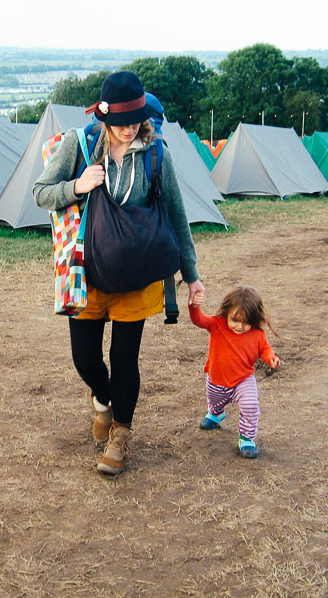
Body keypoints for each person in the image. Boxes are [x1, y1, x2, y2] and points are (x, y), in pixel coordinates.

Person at [33, 70, 204, 475]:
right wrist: (76, 185)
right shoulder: (79, 144)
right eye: (121, 123)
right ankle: (103, 400)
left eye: (136, 121)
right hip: (87, 272)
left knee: (125, 359)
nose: (129, 130)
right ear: (103, 116)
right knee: (86, 359)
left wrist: (191, 273)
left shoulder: (157, 152)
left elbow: (177, 215)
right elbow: (42, 192)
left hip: (137, 275)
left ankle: (121, 436)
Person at [189, 285, 280, 459]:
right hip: (217, 379)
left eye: (246, 322)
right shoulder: (217, 324)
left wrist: (271, 359)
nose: (239, 326)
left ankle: (246, 439)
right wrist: (194, 306)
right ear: (226, 313)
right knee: (215, 402)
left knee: (250, 405)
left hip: (244, 379)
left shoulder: (257, 334)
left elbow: (265, 350)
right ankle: (216, 414)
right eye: (235, 320)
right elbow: (199, 320)